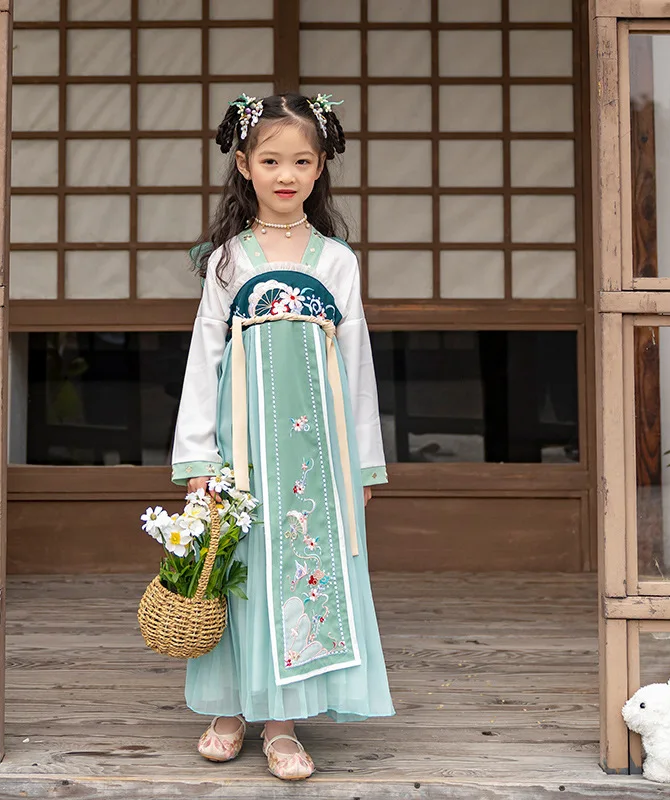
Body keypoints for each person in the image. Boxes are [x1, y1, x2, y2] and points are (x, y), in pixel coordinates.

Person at [170, 92, 394, 781]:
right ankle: (230, 708)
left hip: (314, 451)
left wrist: (360, 467)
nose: (286, 174)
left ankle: (283, 720)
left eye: (302, 160)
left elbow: (356, 368)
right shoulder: (227, 262)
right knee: (237, 566)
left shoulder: (337, 261)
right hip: (241, 445)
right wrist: (200, 457)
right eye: (271, 160)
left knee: (298, 567)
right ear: (244, 164)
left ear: (321, 167)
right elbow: (204, 361)